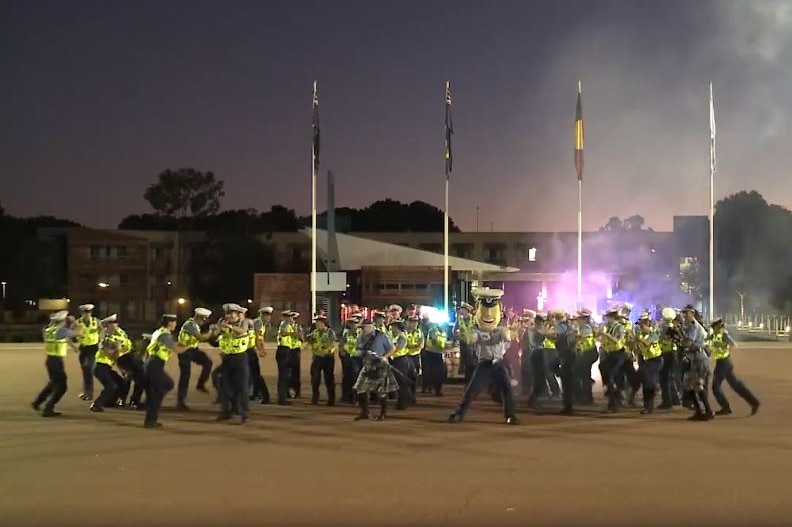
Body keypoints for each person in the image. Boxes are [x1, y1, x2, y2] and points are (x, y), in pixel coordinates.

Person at [449, 287, 519, 425]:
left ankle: (510, 416)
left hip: (498, 363)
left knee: (507, 389)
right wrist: (465, 333)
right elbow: (471, 339)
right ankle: (459, 413)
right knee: (471, 391)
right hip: (484, 364)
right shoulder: (477, 330)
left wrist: (511, 331)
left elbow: (508, 337)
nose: (488, 315)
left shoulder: (501, 330)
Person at [32, 310, 82, 417]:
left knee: (53, 383)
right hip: (56, 361)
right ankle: (48, 408)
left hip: (50, 360)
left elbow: (66, 337)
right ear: (63, 320)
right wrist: (75, 323)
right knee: (62, 386)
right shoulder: (61, 332)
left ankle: (37, 402)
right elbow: (78, 332)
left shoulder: (48, 330)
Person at [144, 314, 189, 428]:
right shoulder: (164, 335)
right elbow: (176, 349)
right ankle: (151, 415)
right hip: (155, 364)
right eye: (174, 322)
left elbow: (172, 344)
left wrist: (181, 343)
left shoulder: (160, 332)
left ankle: (150, 420)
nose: (175, 324)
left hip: (152, 363)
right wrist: (190, 345)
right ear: (169, 323)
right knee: (168, 384)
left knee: (157, 391)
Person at [707, 318, 760, 416]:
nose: (715, 329)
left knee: (716, 386)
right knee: (736, 385)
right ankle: (754, 402)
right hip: (722, 363)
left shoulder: (724, 335)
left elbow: (733, 345)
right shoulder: (714, 336)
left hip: (724, 363)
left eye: (716, 327)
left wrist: (723, 348)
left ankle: (725, 407)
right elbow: (707, 343)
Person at [352, 320, 398, 421]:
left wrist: (385, 357)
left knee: (382, 391)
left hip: (380, 365)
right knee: (360, 388)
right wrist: (360, 352)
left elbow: (392, 348)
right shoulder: (360, 337)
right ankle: (365, 413)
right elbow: (357, 349)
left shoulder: (381, 336)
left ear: (370, 327)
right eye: (361, 328)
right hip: (367, 365)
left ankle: (383, 413)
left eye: (364, 328)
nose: (362, 330)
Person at [216, 304, 252, 423]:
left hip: (240, 358)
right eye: (228, 313)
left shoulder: (243, 323)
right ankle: (226, 412)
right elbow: (217, 335)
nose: (229, 316)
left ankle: (244, 413)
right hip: (227, 358)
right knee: (224, 386)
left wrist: (229, 326)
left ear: (237, 315)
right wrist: (216, 329)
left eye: (232, 314)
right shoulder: (222, 323)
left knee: (242, 387)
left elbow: (242, 331)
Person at [175, 307, 214, 411]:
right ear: (199, 317)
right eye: (204, 319)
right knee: (185, 375)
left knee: (208, 362)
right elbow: (201, 338)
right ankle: (180, 401)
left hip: (192, 349)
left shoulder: (194, 324)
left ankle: (200, 384)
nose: (204, 321)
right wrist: (212, 332)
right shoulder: (190, 325)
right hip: (184, 351)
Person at [680, 305, 714, 421]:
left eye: (687, 312)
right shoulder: (689, 326)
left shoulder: (693, 327)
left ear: (692, 313)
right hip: (693, 358)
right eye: (683, 312)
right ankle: (700, 410)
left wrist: (679, 340)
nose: (684, 315)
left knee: (697, 385)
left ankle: (707, 411)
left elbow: (688, 343)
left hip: (698, 358)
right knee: (688, 385)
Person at [90, 314, 129, 412]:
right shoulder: (105, 339)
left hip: (107, 367)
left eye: (116, 322)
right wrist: (118, 350)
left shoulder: (118, 335)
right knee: (111, 386)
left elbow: (119, 352)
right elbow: (110, 354)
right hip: (100, 367)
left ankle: (110, 402)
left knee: (121, 383)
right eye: (112, 323)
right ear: (107, 325)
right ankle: (96, 404)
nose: (116, 324)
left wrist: (118, 351)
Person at [634, 313, 663, 414]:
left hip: (655, 360)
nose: (640, 328)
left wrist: (638, 340)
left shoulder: (653, 333)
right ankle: (647, 406)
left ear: (648, 323)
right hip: (646, 360)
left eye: (642, 325)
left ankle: (649, 406)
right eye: (640, 325)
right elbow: (639, 349)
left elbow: (647, 343)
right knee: (646, 383)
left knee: (649, 383)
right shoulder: (642, 334)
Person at [307, 315, 337, 406]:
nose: (317, 324)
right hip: (317, 357)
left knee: (329, 379)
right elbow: (309, 341)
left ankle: (331, 399)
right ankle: (315, 398)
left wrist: (327, 349)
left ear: (324, 323)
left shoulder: (330, 332)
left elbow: (333, 343)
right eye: (316, 323)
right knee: (315, 379)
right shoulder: (314, 332)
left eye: (319, 323)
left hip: (328, 358)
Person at [75, 304, 100, 401]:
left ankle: (89, 393)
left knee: (89, 369)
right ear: (82, 313)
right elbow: (72, 333)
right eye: (85, 312)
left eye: (89, 312)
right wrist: (75, 342)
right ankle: (86, 392)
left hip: (93, 348)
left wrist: (101, 341)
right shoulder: (78, 323)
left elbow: (102, 331)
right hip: (84, 348)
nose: (87, 314)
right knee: (85, 371)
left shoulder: (96, 321)